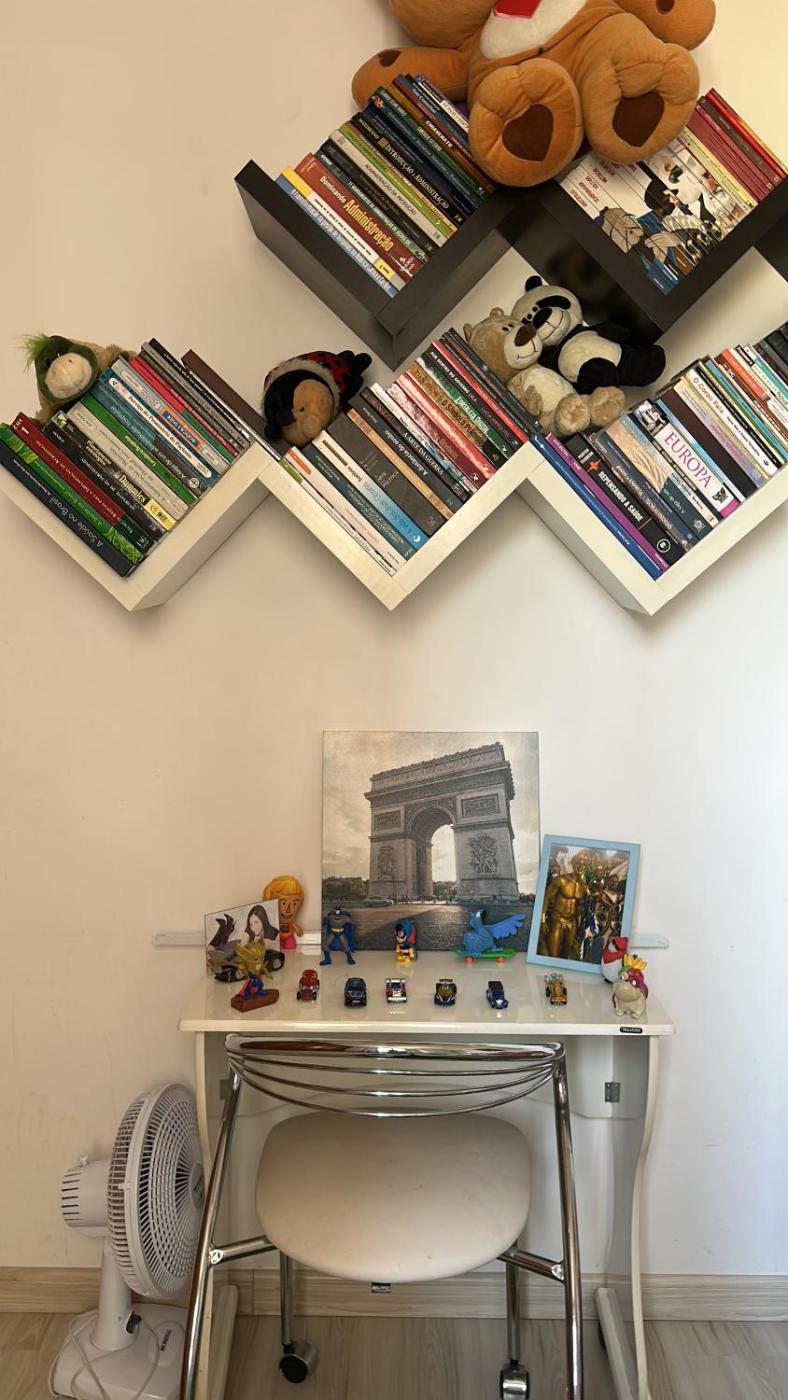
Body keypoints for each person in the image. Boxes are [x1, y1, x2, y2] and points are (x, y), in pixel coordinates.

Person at [262, 875, 304, 952]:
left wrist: (298, 931)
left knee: (290, 947)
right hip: (274, 938)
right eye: (283, 903)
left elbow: (299, 933)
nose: (288, 910)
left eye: (294, 904)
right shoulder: (272, 923)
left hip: (289, 937)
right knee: (272, 948)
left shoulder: (291, 924)